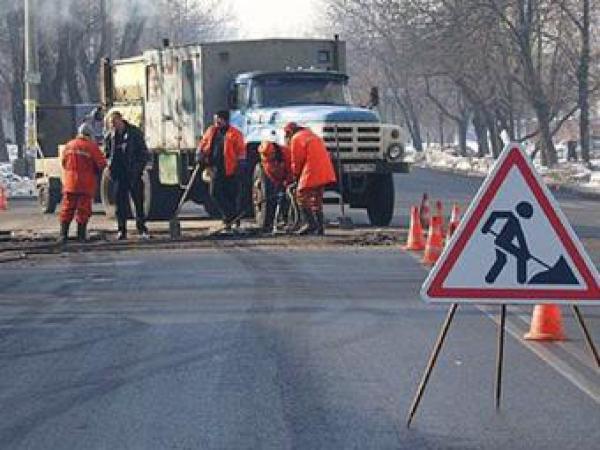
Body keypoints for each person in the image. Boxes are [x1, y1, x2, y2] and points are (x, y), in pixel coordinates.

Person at [284, 122, 336, 235]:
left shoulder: (296, 139)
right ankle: (320, 227)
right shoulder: (312, 135)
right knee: (317, 199)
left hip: (312, 170)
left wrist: (295, 177)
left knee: (301, 196)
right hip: (325, 170)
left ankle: (310, 224)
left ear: (290, 132)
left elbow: (297, 161)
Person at [104, 111, 150, 240]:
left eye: (114, 122)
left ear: (120, 120)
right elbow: (107, 154)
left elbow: (143, 153)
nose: (112, 126)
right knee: (120, 204)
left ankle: (142, 229)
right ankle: (121, 230)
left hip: (133, 173)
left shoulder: (134, 133)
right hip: (119, 174)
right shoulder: (110, 137)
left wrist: (138, 169)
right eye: (110, 124)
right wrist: (110, 168)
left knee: (138, 202)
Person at [197, 110, 246, 230]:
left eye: (218, 120)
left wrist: (240, 166)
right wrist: (199, 156)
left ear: (225, 120)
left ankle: (230, 220)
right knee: (214, 193)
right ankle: (231, 216)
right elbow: (203, 145)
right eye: (215, 120)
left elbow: (241, 152)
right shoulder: (211, 131)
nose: (216, 122)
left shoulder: (235, 134)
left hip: (230, 170)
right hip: (215, 169)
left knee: (231, 195)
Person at [59, 123, 107, 243]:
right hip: (85, 183)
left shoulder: (69, 145)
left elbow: (63, 162)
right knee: (83, 210)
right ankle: (81, 235)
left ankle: (63, 235)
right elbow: (101, 164)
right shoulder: (91, 147)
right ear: (90, 135)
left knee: (67, 208)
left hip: (70, 182)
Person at [481, 201, 533, 284]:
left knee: (503, 260)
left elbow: (521, 239)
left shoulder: (515, 220)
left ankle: (490, 279)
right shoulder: (511, 217)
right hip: (502, 242)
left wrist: (526, 251)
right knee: (515, 257)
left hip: (504, 243)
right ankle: (521, 281)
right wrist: (486, 227)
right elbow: (494, 214)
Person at [258, 135, 293, 230]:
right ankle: (279, 221)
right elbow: (270, 174)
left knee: (291, 199)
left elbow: (291, 169)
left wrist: (287, 182)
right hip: (280, 180)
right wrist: (278, 186)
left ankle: (291, 219)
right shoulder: (265, 159)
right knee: (278, 199)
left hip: (290, 178)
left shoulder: (286, 153)